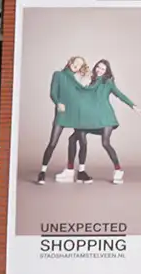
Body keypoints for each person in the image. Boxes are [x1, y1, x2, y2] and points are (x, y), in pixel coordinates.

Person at [70, 59, 141, 185]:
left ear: (106, 72)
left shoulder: (107, 82)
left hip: (106, 118)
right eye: (98, 67)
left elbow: (120, 95)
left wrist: (134, 106)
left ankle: (118, 170)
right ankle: (81, 171)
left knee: (105, 143)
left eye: (103, 69)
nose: (99, 70)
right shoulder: (89, 80)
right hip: (90, 118)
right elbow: (78, 94)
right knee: (80, 138)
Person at [36, 56, 89, 184]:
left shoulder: (77, 79)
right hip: (62, 112)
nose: (76, 65)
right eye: (75, 62)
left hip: (76, 113)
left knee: (83, 141)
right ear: (70, 62)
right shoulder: (58, 74)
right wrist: (58, 103)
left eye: (80, 64)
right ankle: (42, 172)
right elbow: (53, 92)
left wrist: (86, 79)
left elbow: (84, 93)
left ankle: (81, 171)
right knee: (52, 143)